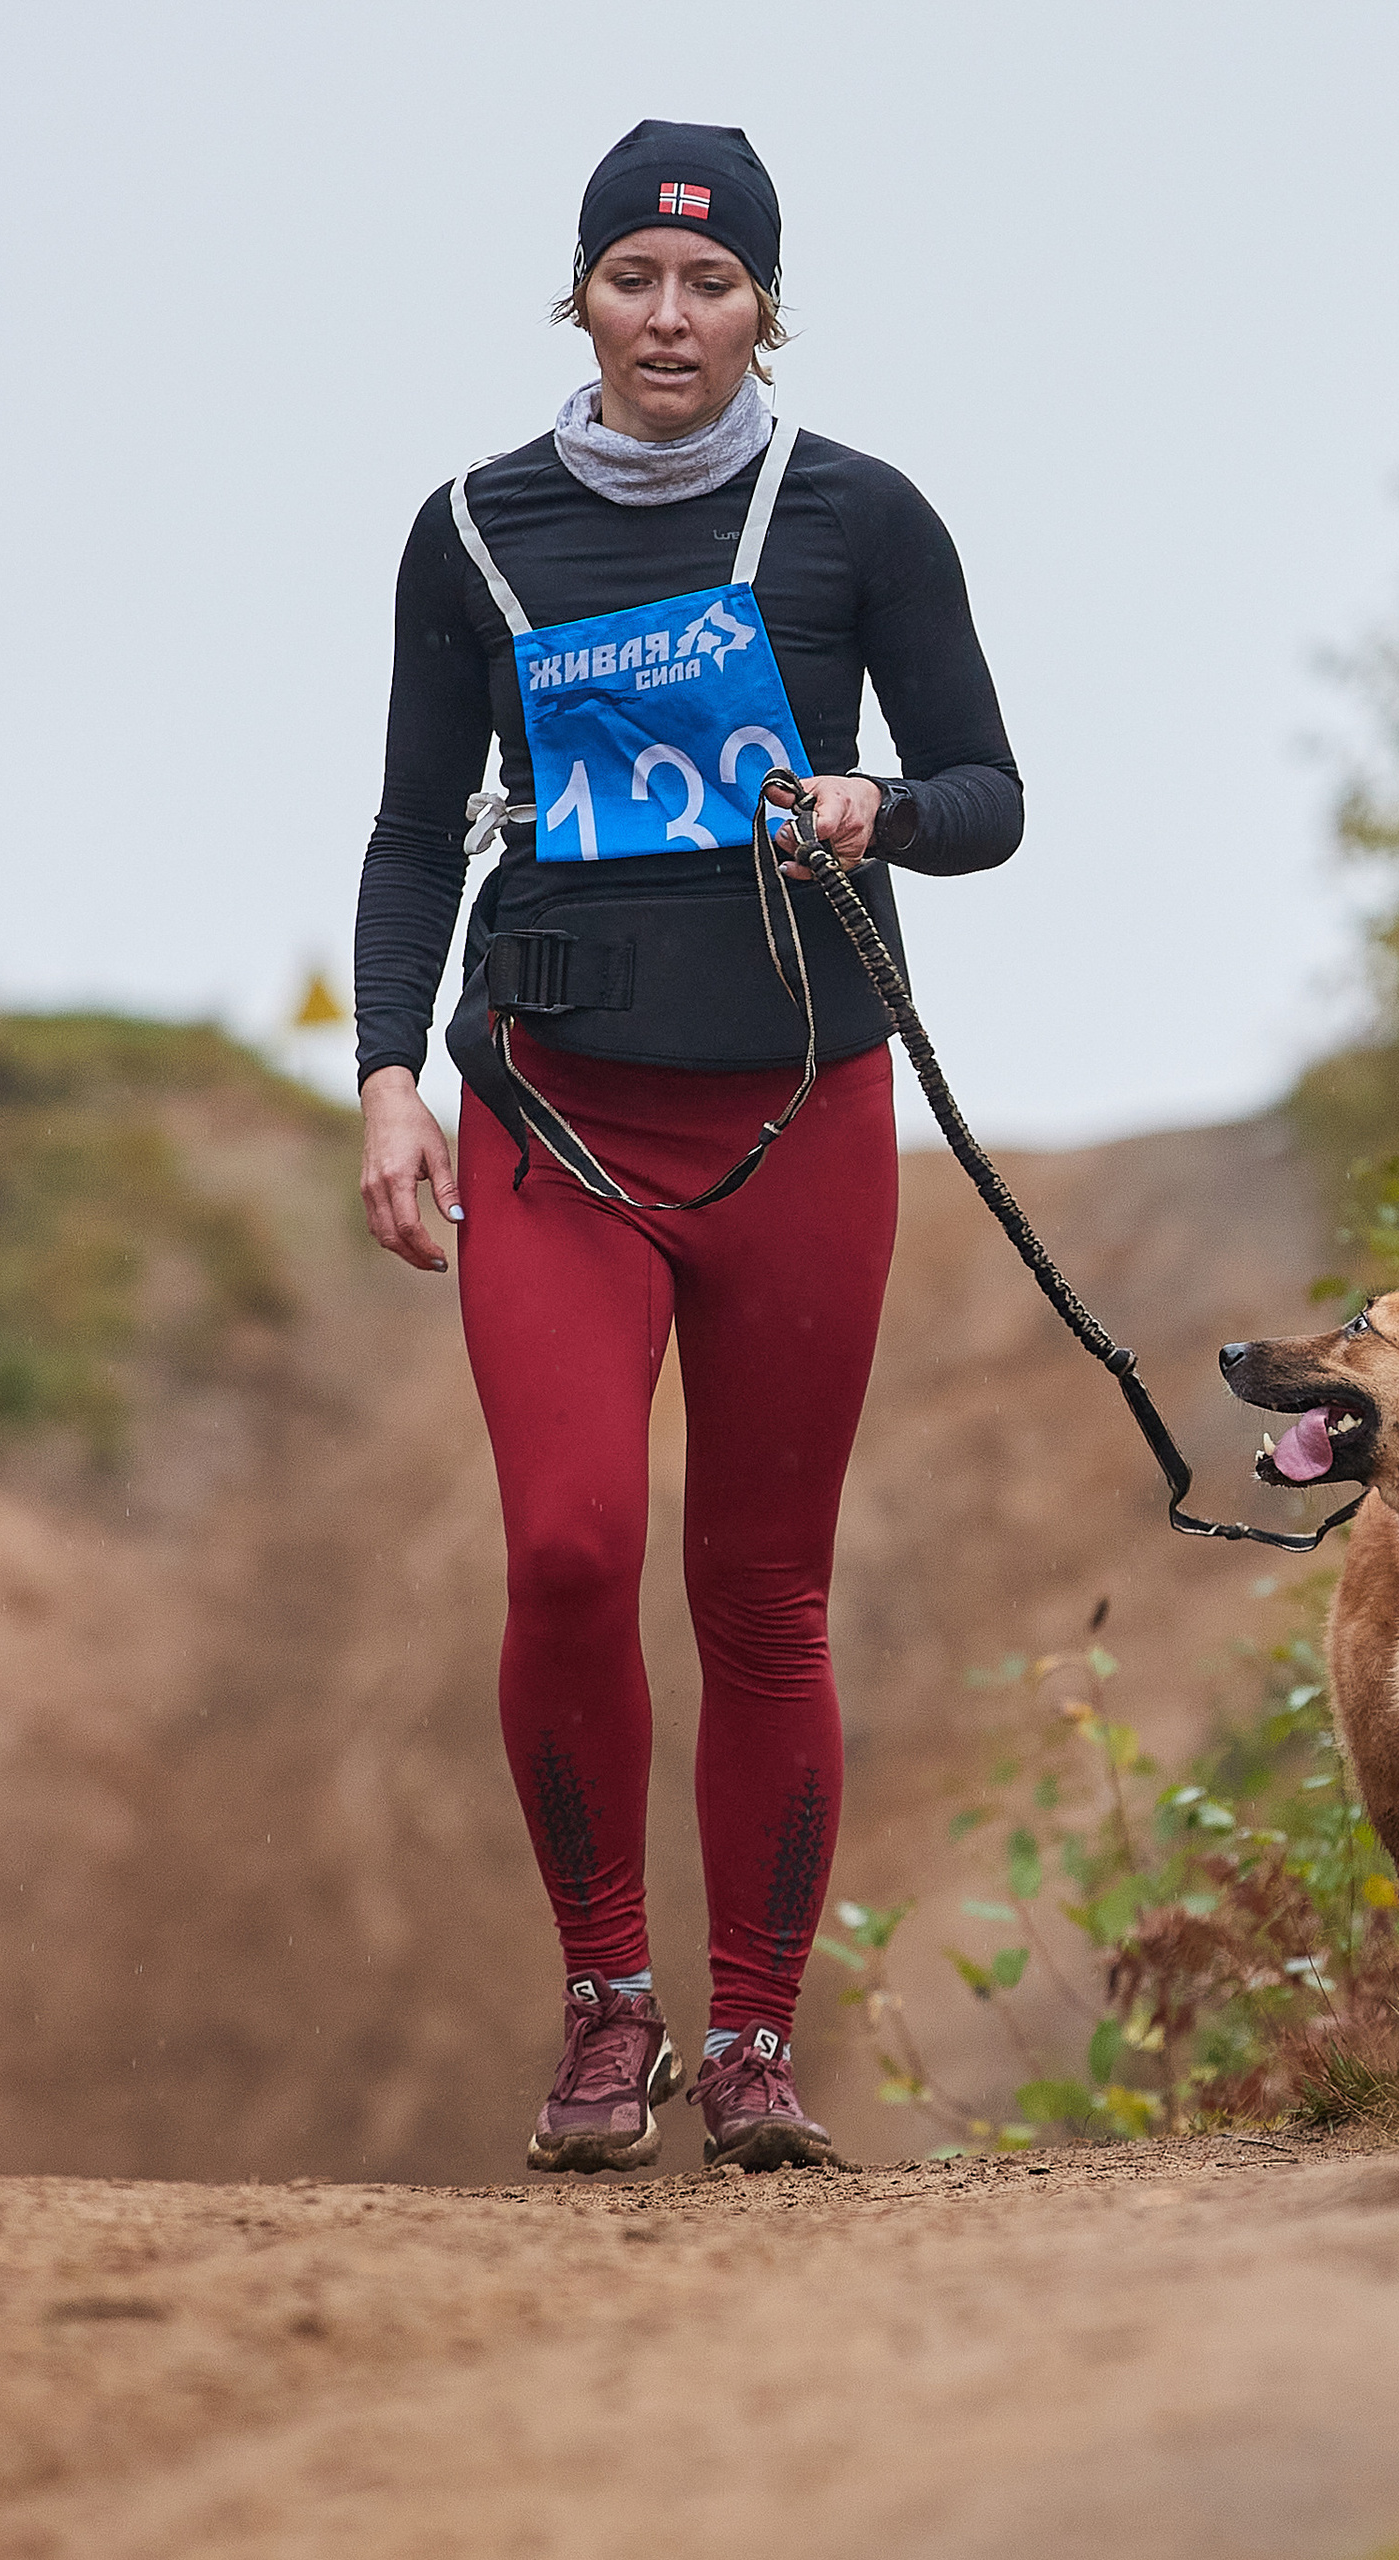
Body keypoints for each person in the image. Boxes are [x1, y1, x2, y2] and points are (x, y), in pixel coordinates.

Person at [353, 120, 1022, 2173]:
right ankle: (604, 1999)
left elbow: (990, 791)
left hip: (801, 1108)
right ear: (581, 294)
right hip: (552, 1104)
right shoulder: (469, 530)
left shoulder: (860, 520)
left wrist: (872, 808)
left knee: (761, 1592)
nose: (669, 319)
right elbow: (405, 831)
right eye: (633, 279)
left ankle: (750, 2039)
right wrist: (389, 1074)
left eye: (709, 286)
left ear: (763, 310)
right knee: (564, 1544)